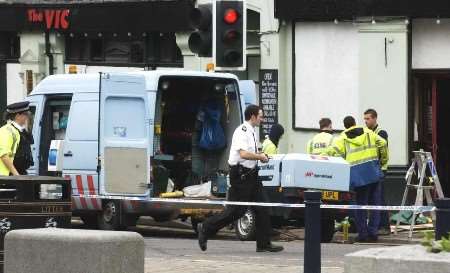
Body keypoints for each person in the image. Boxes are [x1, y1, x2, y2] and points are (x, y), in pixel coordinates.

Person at [197, 104, 284, 252]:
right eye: (260, 116)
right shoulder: (241, 131)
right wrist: (260, 157)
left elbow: (253, 153)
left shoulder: (252, 132)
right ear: (253, 116)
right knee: (235, 211)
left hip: (252, 174)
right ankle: (205, 227)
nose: (262, 119)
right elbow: (243, 154)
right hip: (241, 175)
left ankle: (264, 244)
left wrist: (261, 155)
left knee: (263, 207)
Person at [325, 116, 388, 242]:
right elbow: (383, 143)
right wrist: (383, 162)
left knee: (360, 206)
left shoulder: (342, 138)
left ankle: (363, 234)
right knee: (375, 205)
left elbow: (332, 152)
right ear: (355, 123)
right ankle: (373, 233)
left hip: (357, 177)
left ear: (345, 126)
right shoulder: (368, 132)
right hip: (373, 171)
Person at [364, 108, 390, 234]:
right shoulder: (367, 133)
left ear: (375, 118)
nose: (366, 121)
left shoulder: (381, 133)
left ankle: (384, 226)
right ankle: (377, 225)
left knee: (380, 198)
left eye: (368, 119)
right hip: (370, 169)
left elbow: (381, 151)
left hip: (379, 169)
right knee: (373, 198)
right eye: (365, 119)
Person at [0, 101, 32, 176]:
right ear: (18, 116)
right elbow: (4, 155)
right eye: (25, 114)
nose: (27, 117)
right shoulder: (6, 130)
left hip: (19, 173)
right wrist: (17, 175)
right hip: (7, 176)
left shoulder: (20, 131)